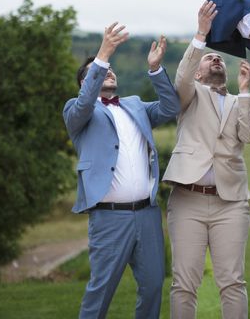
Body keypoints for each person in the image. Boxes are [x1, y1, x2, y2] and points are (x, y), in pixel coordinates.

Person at [63, 23, 180, 319]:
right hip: (109, 216)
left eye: (109, 69)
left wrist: (155, 70)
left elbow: (169, 108)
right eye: (100, 71)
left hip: (148, 213)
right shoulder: (77, 112)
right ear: (84, 83)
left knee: (153, 287)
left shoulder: (135, 105)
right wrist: (102, 55)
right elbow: (85, 100)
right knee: (101, 290)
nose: (108, 71)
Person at [163, 1, 250, 318]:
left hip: (230, 202)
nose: (216, 59)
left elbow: (248, 136)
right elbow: (182, 78)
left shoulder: (237, 100)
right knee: (184, 283)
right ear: (200, 71)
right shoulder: (189, 95)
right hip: (187, 199)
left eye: (219, 58)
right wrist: (202, 36)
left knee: (232, 282)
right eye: (209, 59)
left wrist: (245, 93)